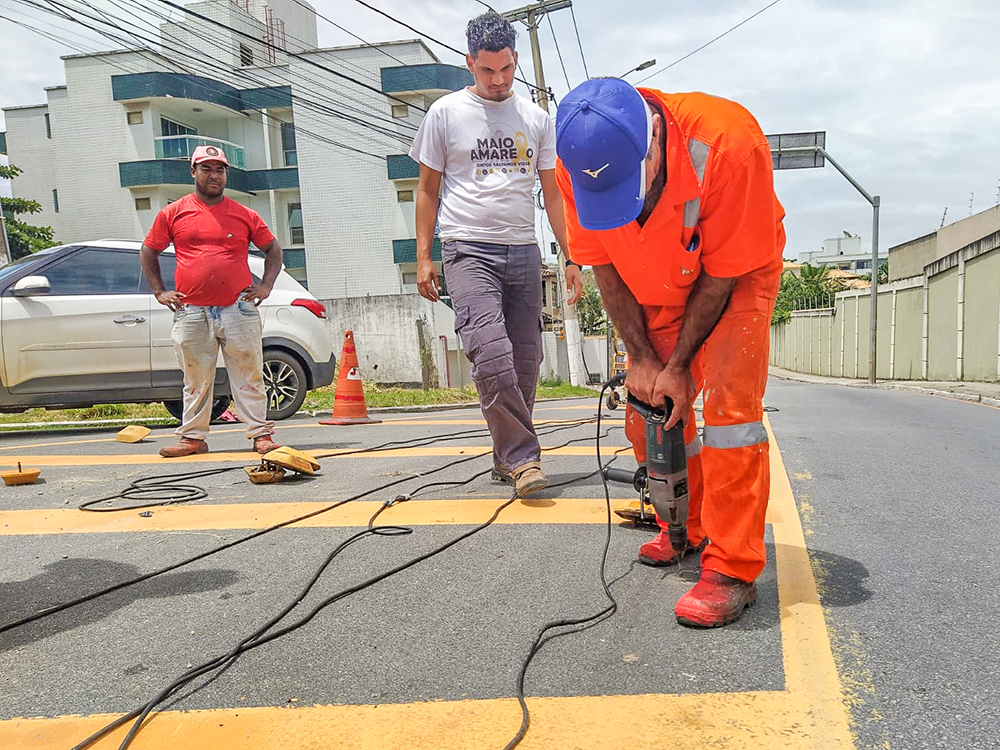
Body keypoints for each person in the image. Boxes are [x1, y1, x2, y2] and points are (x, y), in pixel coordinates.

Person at [555, 78, 785, 628]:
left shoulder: (728, 144)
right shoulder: (572, 156)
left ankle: (732, 568)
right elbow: (601, 260)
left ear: (653, 140)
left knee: (729, 414)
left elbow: (725, 273)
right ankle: (687, 526)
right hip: (651, 281)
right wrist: (642, 358)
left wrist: (680, 366)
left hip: (732, 278)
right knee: (652, 413)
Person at [408, 11, 582, 497]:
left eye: (506, 69)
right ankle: (524, 459)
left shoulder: (536, 119)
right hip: (467, 250)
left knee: (525, 365)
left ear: (515, 60)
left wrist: (572, 257)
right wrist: (424, 258)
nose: (499, 80)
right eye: (488, 71)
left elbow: (553, 196)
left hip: (524, 252)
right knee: (492, 356)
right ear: (470, 63)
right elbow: (426, 190)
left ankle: (505, 455)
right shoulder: (445, 114)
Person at [140, 145, 283, 458]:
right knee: (195, 376)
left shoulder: (243, 214)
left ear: (226, 175)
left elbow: (273, 249)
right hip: (191, 309)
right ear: (193, 172)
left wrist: (266, 286)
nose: (214, 175)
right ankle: (193, 438)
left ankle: (260, 434)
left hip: (238, 307)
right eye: (206, 168)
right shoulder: (173, 212)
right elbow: (149, 250)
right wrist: (159, 291)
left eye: (219, 169)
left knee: (248, 371)